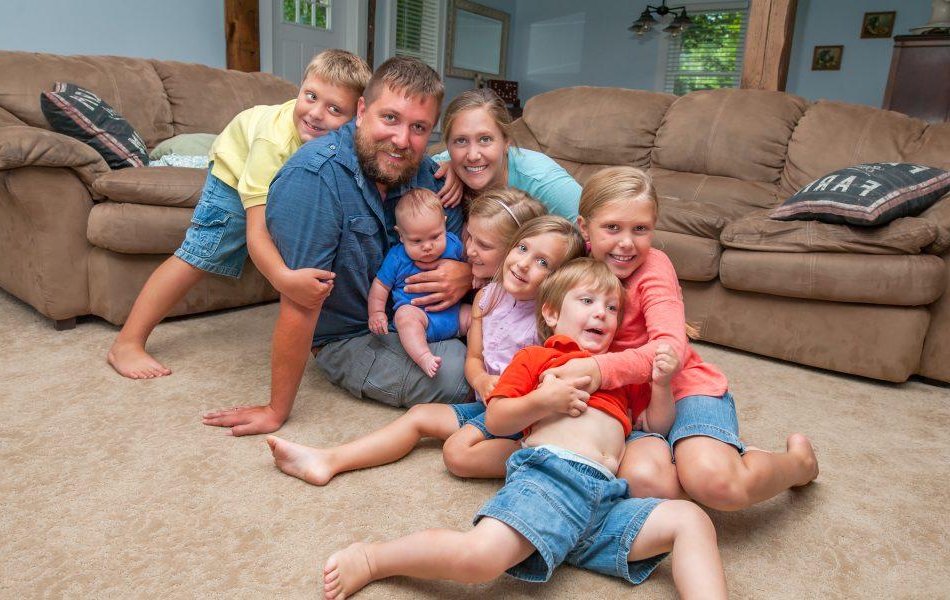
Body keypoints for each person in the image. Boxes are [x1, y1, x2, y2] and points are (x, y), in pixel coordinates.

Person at [321, 259, 727, 600]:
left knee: (690, 520)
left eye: (611, 308)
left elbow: (656, 426)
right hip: (550, 483)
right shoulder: (537, 358)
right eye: (587, 301)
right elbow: (498, 419)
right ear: (551, 313)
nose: (602, 313)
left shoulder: (618, 373)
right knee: (479, 559)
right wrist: (542, 402)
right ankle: (374, 558)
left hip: (606, 502)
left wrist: (659, 383)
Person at [201, 57, 471, 436]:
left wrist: (467, 274)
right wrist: (276, 410)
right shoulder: (312, 179)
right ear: (361, 111)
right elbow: (300, 300)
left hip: (431, 315)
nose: (401, 140)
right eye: (390, 118)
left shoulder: (430, 177)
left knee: (506, 340)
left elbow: (471, 256)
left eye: (419, 128)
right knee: (462, 375)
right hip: (352, 336)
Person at [543, 166, 819, 508]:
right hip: (624, 408)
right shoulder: (575, 262)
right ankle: (713, 457)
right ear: (585, 227)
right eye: (612, 227)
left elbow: (669, 346)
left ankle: (797, 465)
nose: (626, 243)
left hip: (683, 388)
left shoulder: (653, 266)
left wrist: (599, 369)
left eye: (640, 229)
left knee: (717, 484)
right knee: (643, 485)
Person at [107, 49, 371, 379]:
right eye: (310, 96)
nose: (316, 114)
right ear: (300, 88)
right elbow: (256, 232)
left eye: (334, 109)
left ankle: (323, 335)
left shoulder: (354, 140)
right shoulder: (271, 142)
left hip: (292, 179)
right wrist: (283, 279)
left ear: (356, 115)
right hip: (237, 167)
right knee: (201, 251)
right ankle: (127, 342)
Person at [266, 212, 584, 484]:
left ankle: (544, 455)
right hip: (488, 405)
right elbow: (473, 358)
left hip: (528, 418)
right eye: (522, 248)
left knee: (457, 455)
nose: (524, 264)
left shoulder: (552, 318)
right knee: (419, 418)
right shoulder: (488, 299)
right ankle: (329, 460)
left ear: (561, 278)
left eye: (542, 262)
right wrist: (480, 381)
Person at [432, 88, 582, 221]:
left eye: (485, 139)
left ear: (506, 142)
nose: (472, 156)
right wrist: (444, 169)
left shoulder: (543, 181)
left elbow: (592, 231)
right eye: (461, 141)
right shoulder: (443, 166)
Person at [367, 188, 471, 378]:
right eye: (416, 241)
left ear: (444, 225)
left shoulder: (454, 245)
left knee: (478, 315)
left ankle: (479, 355)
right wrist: (376, 313)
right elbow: (381, 285)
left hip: (454, 315)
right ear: (400, 236)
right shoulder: (397, 257)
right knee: (404, 317)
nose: (427, 246)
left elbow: (471, 263)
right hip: (420, 316)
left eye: (435, 236)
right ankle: (423, 356)